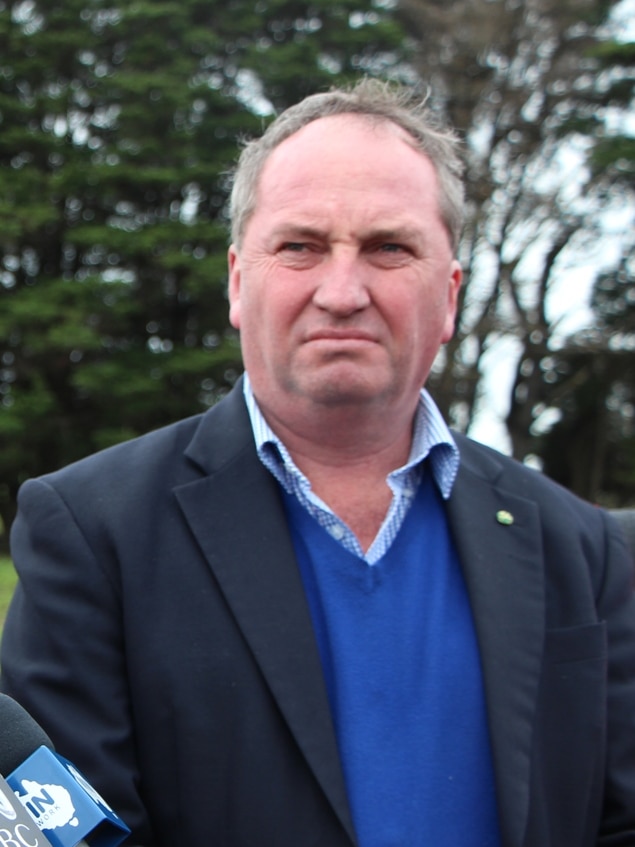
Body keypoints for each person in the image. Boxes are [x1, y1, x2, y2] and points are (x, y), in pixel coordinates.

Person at [2, 78, 635, 847]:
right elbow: (70, 836)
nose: (342, 291)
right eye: (300, 245)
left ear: (450, 296)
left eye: (388, 248)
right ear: (239, 280)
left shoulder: (589, 552)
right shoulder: (93, 534)